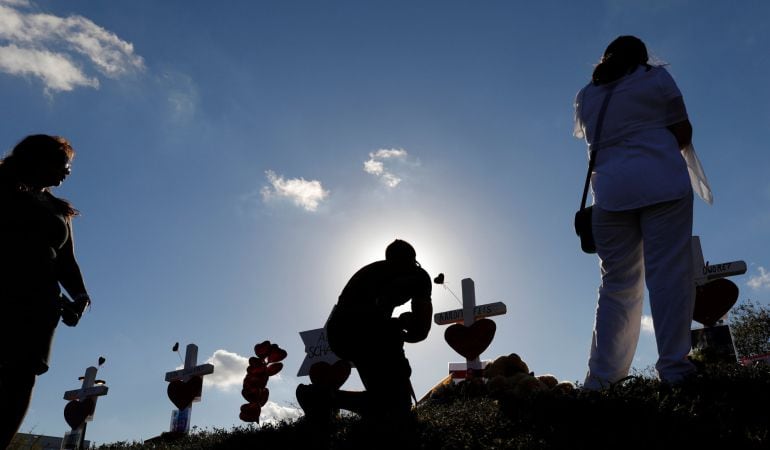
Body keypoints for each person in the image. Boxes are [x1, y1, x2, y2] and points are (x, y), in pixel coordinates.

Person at [573, 36, 698, 389]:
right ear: (642, 56)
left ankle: (602, 381)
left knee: (615, 287)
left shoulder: (587, 95)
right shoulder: (655, 79)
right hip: (662, 184)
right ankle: (675, 370)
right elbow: (682, 131)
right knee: (668, 277)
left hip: (611, 194)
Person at [0, 135, 91, 448]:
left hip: (41, 306)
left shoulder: (59, 209)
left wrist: (80, 296)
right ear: (37, 159)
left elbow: (67, 261)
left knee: (21, 378)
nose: (67, 170)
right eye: (62, 162)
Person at [297, 239, 432, 434]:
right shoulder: (417, 275)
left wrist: (397, 330)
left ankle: (322, 398)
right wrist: (402, 327)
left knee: (388, 401)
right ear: (413, 259)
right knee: (396, 406)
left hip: (341, 334)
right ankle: (329, 399)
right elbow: (421, 328)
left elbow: (368, 312)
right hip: (364, 333)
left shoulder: (370, 271)